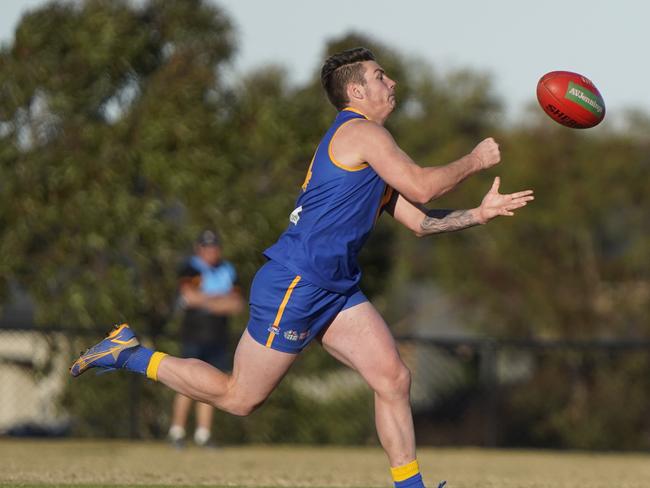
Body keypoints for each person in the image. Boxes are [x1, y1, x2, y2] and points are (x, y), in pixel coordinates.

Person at [71, 47, 533, 487]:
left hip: (334, 287)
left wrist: (478, 214)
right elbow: (424, 186)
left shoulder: (373, 153)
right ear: (355, 93)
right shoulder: (360, 133)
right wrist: (476, 159)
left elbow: (421, 221)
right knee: (240, 398)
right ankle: (127, 354)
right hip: (296, 281)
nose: (390, 82)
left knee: (393, 378)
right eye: (379, 77)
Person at [168, 229, 244, 448]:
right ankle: (177, 431)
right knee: (185, 383)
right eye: (206, 247)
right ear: (198, 249)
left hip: (218, 335)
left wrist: (205, 300)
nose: (211, 252)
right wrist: (220, 299)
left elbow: (237, 304)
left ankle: (203, 434)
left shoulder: (227, 269)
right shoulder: (190, 267)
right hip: (194, 334)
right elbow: (188, 297)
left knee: (213, 384)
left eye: (214, 247)